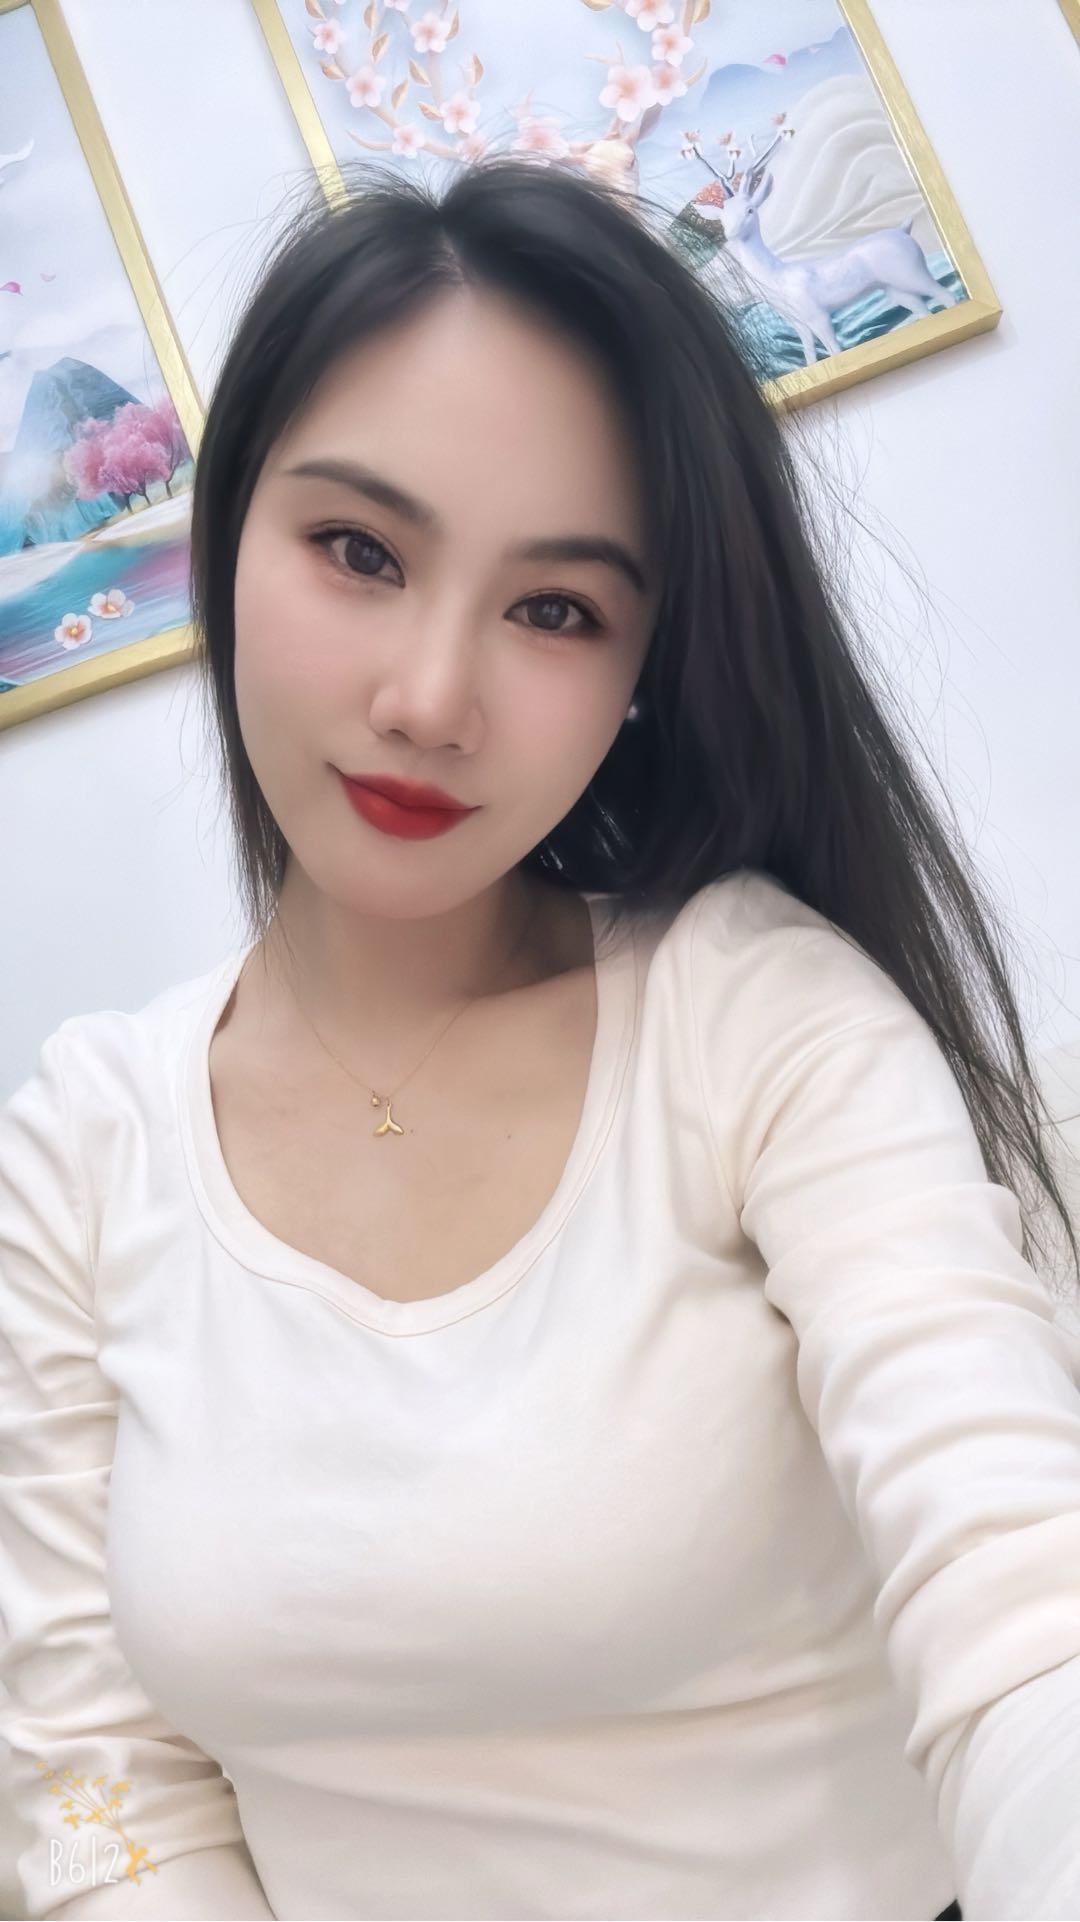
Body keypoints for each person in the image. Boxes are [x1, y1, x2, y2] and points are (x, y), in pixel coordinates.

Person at [2, 155, 1079, 1922]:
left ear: (647, 664)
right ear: (227, 530)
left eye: (556, 609)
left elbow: (1022, 1589)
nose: (430, 698)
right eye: (359, 551)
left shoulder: (754, 1012)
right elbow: (96, 1791)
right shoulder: (80, 1144)